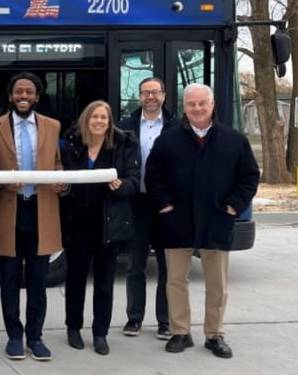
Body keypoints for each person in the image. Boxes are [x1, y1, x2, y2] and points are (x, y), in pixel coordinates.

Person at [146, 83, 259, 359]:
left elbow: (249, 176)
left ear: (212, 105)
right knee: (175, 280)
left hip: (217, 220)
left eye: (202, 104)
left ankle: (214, 334)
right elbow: (153, 175)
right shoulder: (168, 139)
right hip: (177, 221)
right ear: (184, 107)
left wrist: (233, 206)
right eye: (191, 104)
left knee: (217, 283)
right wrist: (165, 205)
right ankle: (180, 332)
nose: (197, 109)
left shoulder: (234, 140)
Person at [0, 72, 64, 362]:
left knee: (39, 280)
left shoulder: (53, 126)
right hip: (8, 208)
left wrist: (61, 182)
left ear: (37, 96)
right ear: (10, 96)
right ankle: (14, 336)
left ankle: (36, 336)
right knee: (9, 279)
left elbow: (56, 163)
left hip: (41, 209)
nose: (24, 96)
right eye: (19, 91)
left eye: (29, 91)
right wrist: (1, 182)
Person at [60, 100, 139, 355]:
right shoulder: (71, 143)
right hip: (77, 221)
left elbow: (133, 181)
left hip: (109, 222)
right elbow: (65, 179)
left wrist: (122, 186)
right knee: (75, 279)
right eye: (94, 116)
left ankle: (100, 333)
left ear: (110, 121)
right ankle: (73, 328)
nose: (99, 121)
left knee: (104, 282)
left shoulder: (124, 143)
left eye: (104, 117)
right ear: (86, 119)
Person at [117, 77, 179, 340]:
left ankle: (164, 321)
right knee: (135, 264)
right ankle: (134, 318)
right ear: (139, 96)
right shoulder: (124, 127)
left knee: (168, 266)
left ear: (164, 95)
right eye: (145, 93)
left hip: (166, 204)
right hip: (137, 203)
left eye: (155, 92)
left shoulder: (177, 127)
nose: (150, 97)